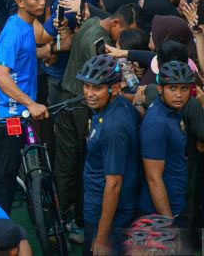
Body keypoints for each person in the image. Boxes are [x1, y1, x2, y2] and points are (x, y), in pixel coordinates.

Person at [0, 0, 49, 213]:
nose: (42, 3)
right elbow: (0, 75)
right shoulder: (13, 32)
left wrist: (49, 50)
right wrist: (30, 103)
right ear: (20, 2)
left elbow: (24, 57)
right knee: (4, 177)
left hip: (24, 110)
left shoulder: (27, 25)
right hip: (11, 115)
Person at [76, 54, 140, 255]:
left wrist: (102, 238)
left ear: (114, 88)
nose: (89, 93)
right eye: (87, 86)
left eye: (97, 88)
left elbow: (113, 184)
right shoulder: (119, 105)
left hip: (106, 213)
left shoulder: (113, 128)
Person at [138, 60, 194, 218]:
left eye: (184, 88)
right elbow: (153, 178)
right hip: (159, 213)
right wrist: (168, 223)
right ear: (160, 89)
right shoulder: (157, 123)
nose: (179, 94)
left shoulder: (174, 111)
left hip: (175, 202)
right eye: (172, 88)